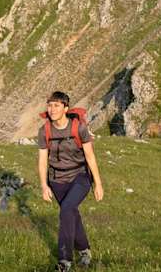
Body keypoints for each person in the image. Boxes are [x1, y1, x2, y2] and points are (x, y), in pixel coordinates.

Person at [37, 91, 103, 270]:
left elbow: (90, 156)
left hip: (79, 177)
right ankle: (84, 250)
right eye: (49, 105)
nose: (52, 109)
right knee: (71, 214)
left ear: (65, 108)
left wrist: (98, 183)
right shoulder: (45, 131)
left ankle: (64, 260)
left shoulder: (78, 128)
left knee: (66, 209)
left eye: (56, 105)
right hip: (57, 180)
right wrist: (44, 186)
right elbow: (43, 160)